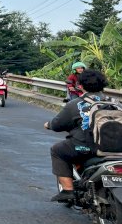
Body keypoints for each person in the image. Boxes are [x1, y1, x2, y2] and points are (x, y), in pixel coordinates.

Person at [44, 69, 108, 202]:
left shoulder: (75, 104)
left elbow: (57, 125)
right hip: (115, 149)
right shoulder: (115, 104)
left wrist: (48, 124)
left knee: (57, 150)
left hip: (85, 148)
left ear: (81, 85)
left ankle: (67, 190)